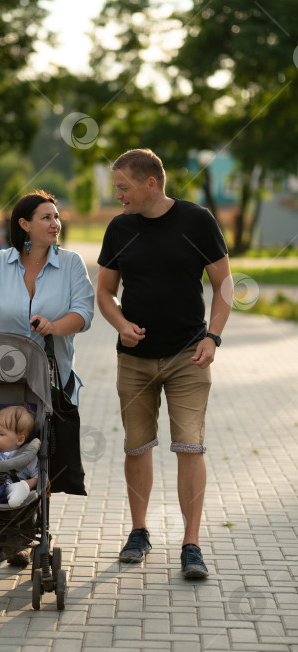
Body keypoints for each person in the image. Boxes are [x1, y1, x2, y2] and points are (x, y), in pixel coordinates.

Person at [97, 148, 232, 578]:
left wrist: (213, 337)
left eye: (123, 188)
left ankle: (191, 544)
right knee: (136, 447)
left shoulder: (197, 220)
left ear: (150, 183)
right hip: (134, 360)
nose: (118, 196)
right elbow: (104, 291)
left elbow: (224, 283)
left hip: (188, 356)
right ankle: (139, 531)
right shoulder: (119, 229)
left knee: (190, 446)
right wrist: (119, 322)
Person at [0, 188, 95, 562]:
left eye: (56, 216)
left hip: (48, 378)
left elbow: (84, 313)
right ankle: (2, 528)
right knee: (1, 448)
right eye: (47, 217)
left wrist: (53, 326)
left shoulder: (70, 264)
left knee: (38, 455)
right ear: (24, 224)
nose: (56, 223)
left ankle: (21, 530)